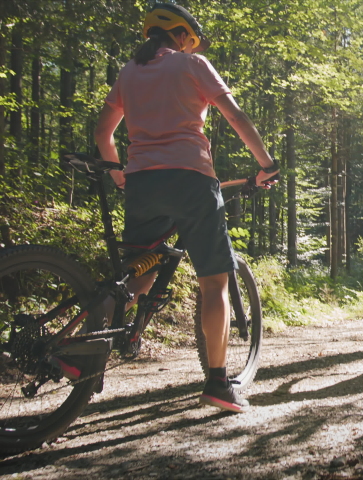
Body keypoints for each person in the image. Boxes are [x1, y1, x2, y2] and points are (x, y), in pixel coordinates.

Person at [86, 3, 278, 412]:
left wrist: (121, 176)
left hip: (141, 184)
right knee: (214, 282)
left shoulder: (129, 72)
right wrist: (266, 164)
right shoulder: (193, 65)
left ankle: (81, 349)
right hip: (191, 180)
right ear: (181, 36)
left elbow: (104, 133)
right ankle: (217, 382)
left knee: (133, 277)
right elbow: (236, 117)